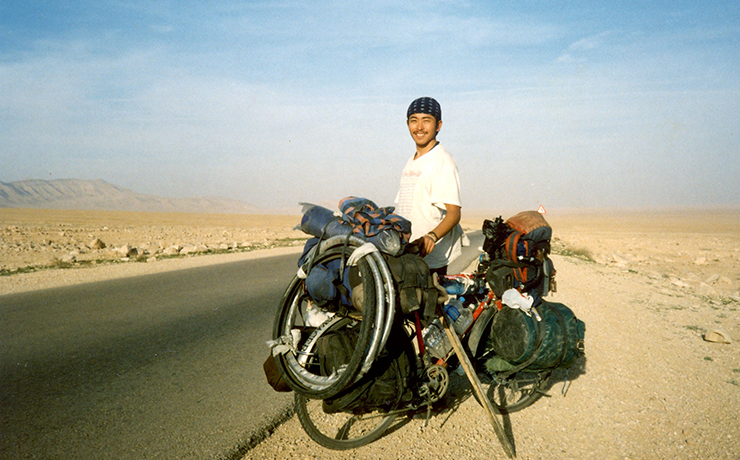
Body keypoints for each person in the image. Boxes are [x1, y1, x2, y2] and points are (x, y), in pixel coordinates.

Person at [395, 97, 464, 277]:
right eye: (413, 120)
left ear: (438, 125)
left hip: (431, 259)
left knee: (429, 304)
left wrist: (431, 237)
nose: (419, 127)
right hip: (408, 254)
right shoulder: (411, 162)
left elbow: (454, 213)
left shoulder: (443, 161)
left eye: (426, 120)